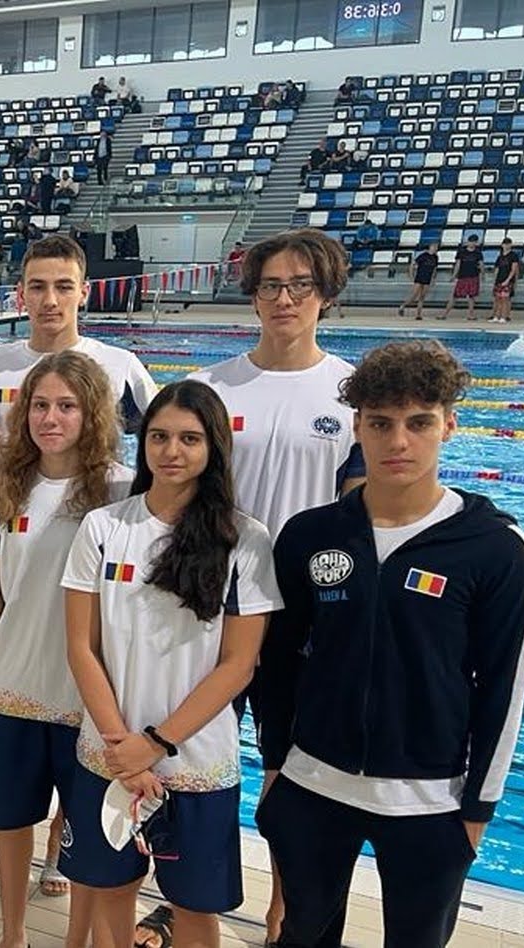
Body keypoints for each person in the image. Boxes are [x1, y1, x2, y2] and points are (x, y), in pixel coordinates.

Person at [258, 340, 524, 948]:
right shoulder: (310, 534)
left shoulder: (494, 547)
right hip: (313, 785)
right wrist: (276, 762)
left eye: (419, 423)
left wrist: (477, 810)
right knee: (302, 937)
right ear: (358, 427)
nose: (399, 442)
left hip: (429, 803)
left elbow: (504, 687)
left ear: (449, 425)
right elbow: (276, 662)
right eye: (381, 423)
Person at [187, 228, 365, 945]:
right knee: (195, 755)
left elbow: (360, 515)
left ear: (326, 295)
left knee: (293, 772)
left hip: (304, 613)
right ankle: (189, 893)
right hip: (212, 605)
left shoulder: (351, 394)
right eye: (271, 285)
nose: (284, 298)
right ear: (253, 295)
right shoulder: (212, 387)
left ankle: (283, 908)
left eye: (300, 285)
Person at [61, 379, 282, 948]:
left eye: (189, 438)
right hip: (108, 753)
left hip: (198, 760)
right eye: (158, 436)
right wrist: (123, 747)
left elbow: (239, 665)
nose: (171, 451)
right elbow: (82, 646)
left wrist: (155, 743)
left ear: (214, 448)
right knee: (112, 893)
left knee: (194, 910)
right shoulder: (104, 527)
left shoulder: (245, 540)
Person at [0, 351, 134, 948]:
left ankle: (75, 940)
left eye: (67, 406)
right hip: (13, 685)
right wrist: (22, 629)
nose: (51, 418)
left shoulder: (120, 489)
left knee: (86, 832)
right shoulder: (3, 487)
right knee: (11, 821)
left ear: (92, 414)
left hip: (88, 696)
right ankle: (12, 933)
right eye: (40, 405)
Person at [0, 235, 156, 435]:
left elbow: (163, 435)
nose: (50, 301)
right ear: (21, 294)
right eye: (38, 287)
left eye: (64, 287)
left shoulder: (121, 366)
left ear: (83, 293)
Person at [440, 234, 483, 321]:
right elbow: (458, 264)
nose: (472, 244)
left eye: (474, 242)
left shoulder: (478, 253)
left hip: (473, 276)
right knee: (455, 296)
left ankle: (471, 315)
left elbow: (481, 264)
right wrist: (454, 275)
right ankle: (444, 314)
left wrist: (482, 274)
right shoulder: (462, 252)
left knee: (471, 296)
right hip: (462, 276)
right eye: (471, 242)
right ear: (468, 242)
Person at [398, 242, 440, 320]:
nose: (435, 249)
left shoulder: (435, 257)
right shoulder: (423, 255)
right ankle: (403, 306)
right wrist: (411, 275)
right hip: (420, 277)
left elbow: (434, 269)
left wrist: (433, 278)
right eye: (434, 247)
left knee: (422, 297)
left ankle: (418, 314)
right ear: (430, 247)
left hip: (427, 278)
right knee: (414, 296)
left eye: (436, 248)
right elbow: (413, 264)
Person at [489, 238, 520, 323]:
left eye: (508, 244)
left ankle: (504, 316)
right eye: (505, 244)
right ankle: (496, 316)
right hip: (499, 279)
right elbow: (497, 269)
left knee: (505, 299)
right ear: (502, 245)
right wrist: (494, 280)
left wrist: (508, 280)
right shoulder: (500, 256)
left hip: (508, 280)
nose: (506, 246)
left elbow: (514, 269)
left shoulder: (513, 256)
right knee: (497, 298)